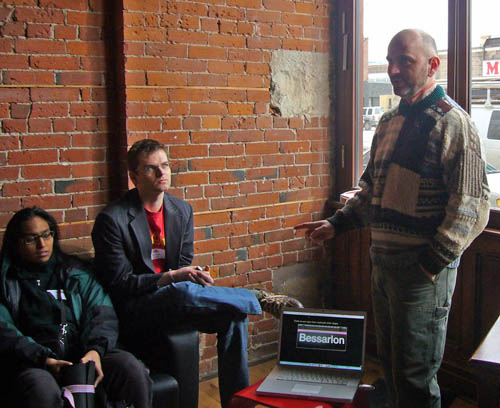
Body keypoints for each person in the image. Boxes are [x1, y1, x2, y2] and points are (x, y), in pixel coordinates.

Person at [295, 29, 490, 408]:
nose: (393, 69)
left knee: (415, 377)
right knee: (392, 368)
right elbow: (372, 191)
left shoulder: (454, 122)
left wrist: (430, 264)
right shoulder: (388, 122)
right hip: (383, 265)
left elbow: (471, 205)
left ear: (433, 65)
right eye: (390, 60)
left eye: (405, 61)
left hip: (420, 274)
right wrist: (337, 224)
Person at [91, 138, 302, 407]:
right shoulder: (112, 220)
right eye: (150, 168)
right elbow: (119, 284)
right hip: (137, 309)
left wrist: (189, 275)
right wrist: (170, 278)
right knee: (180, 290)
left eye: (165, 165)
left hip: (177, 298)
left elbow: (182, 265)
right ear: (133, 176)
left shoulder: (181, 211)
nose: (161, 173)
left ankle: (236, 403)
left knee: (234, 317)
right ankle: (256, 298)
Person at [0, 207, 153, 408]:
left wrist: (96, 351)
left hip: (82, 353)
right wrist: (44, 359)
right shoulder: (6, 282)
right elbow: (4, 331)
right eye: (31, 239)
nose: (42, 244)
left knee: (130, 368)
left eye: (47, 235)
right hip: (36, 362)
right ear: (16, 243)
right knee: (41, 388)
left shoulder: (74, 272)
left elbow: (103, 313)